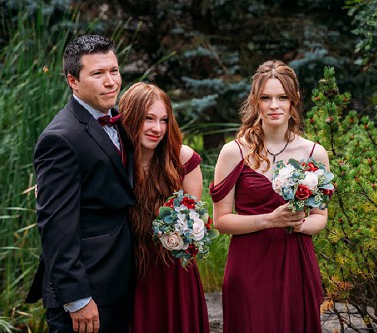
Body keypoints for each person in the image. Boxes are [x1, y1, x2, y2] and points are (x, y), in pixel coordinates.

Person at [25, 35, 136, 333]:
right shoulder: (60, 138)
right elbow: (56, 225)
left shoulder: (120, 120)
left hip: (120, 280)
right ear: (73, 81)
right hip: (87, 291)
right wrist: (77, 299)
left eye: (114, 70)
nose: (111, 81)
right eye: (98, 74)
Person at [209, 60, 329, 332]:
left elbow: (320, 218)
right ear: (256, 102)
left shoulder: (314, 154)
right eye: (266, 98)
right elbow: (221, 220)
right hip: (248, 266)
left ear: (294, 100)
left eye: (282, 97)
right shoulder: (234, 152)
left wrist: (299, 223)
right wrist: (270, 220)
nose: (274, 105)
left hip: (296, 264)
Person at [118, 82, 210, 333]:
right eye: (148, 119)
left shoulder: (184, 159)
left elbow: (196, 221)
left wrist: (189, 232)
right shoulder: (113, 160)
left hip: (174, 275)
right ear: (130, 117)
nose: (156, 128)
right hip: (128, 275)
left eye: (163, 120)